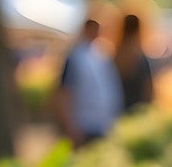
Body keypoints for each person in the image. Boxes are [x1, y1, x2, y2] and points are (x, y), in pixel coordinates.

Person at [53, 19, 123, 147]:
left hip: (102, 123)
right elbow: (63, 93)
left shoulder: (101, 53)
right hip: (83, 123)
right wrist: (70, 126)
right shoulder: (75, 56)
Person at [114, 13, 154, 111]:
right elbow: (148, 89)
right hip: (137, 111)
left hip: (117, 109)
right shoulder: (140, 58)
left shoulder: (115, 56)